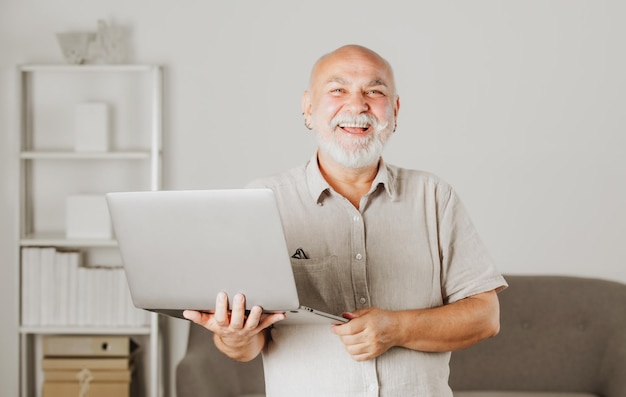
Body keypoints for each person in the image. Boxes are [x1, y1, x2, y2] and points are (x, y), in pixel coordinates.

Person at [183, 44, 508, 396]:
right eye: (338, 90)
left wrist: (396, 328)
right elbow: (247, 347)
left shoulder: (434, 196)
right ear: (308, 108)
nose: (357, 105)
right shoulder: (263, 201)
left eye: (375, 91)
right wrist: (233, 336)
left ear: (395, 111)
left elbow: (486, 318)